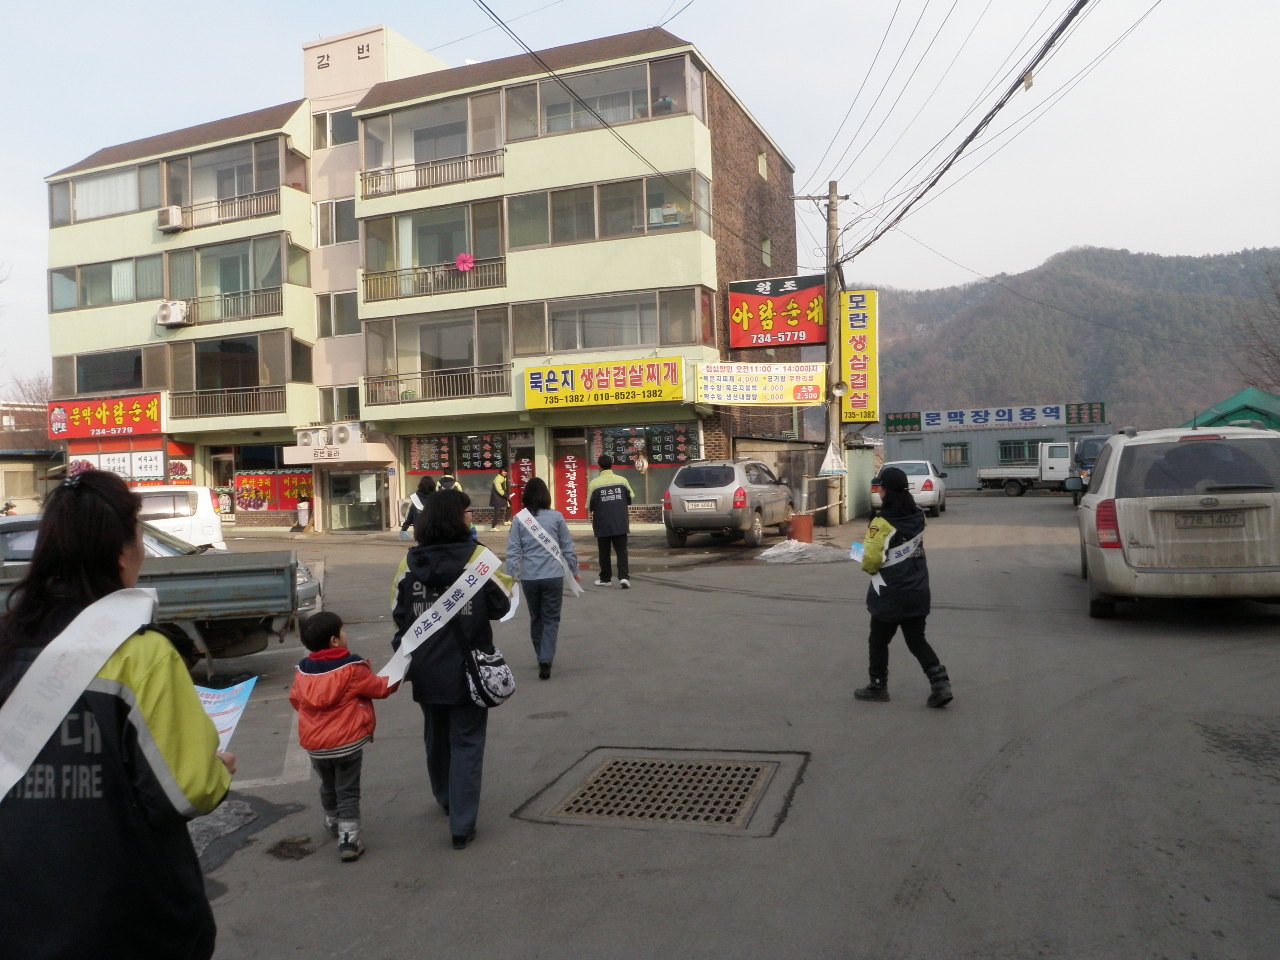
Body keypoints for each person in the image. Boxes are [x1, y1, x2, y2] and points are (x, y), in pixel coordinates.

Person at [0, 469, 235, 959]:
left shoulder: (7, 641)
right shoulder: (142, 653)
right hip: (127, 919)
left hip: (18, 915)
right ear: (122, 552)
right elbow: (187, 789)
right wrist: (215, 768)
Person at [392, 489, 511, 850]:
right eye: (468, 512)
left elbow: (399, 614)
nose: (471, 517)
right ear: (457, 518)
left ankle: (445, 797)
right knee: (467, 742)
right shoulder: (479, 558)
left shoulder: (409, 563)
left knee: (436, 736)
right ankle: (462, 823)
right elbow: (502, 605)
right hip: (469, 667)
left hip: (425, 667)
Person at [290, 611, 398, 863]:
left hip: (316, 746)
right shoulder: (352, 668)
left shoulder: (303, 671)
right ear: (334, 641)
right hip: (347, 744)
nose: (345, 634)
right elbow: (380, 688)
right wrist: (399, 676)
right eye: (342, 630)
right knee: (348, 791)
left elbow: (296, 700)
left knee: (328, 785)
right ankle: (349, 839)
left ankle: (333, 820)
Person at [854, 466, 953, 708]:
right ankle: (941, 684)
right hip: (918, 590)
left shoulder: (880, 522)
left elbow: (872, 560)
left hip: (889, 593)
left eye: (880, 487)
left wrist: (861, 557)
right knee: (917, 640)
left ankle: (878, 686)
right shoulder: (918, 515)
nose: (878, 491)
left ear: (886, 490)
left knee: (878, 641)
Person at [504, 476, 580, 679]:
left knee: (536, 618)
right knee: (551, 618)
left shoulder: (519, 519)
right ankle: (546, 657)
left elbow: (513, 552)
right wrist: (574, 570)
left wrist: (509, 577)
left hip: (529, 577)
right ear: (546, 495)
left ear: (526, 496)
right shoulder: (557, 517)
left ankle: (541, 656)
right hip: (553, 576)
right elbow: (567, 547)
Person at [587, 454, 634, 588]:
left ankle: (605, 579)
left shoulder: (594, 483)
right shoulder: (622, 481)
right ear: (611, 465)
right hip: (620, 521)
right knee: (622, 551)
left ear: (599, 467)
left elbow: (590, 505)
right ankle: (624, 577)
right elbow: (631, 497)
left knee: (604, 552)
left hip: (602, 523)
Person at [400, 475, 437, 540]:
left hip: (419, 532)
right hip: (435, 532)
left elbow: (408, 516)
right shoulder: (437, 498)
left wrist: (404, 528)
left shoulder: (414, 498)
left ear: (420, 486)